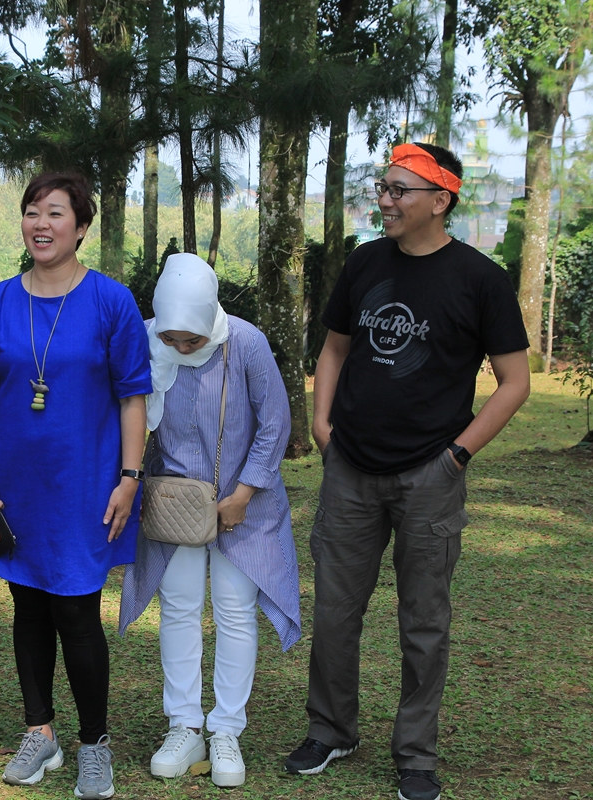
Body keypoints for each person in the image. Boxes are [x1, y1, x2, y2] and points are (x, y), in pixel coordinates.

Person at [283, 142, 531, 800]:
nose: (385, 201)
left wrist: (457, 455)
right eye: (383, 188)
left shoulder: (480, 279)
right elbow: (335, 349)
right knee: (335, 611)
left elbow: (514, 382)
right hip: (351, 469)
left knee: (424, 623)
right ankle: (330, 730)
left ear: (440, 200)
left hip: (430, 474)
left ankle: (416, 754)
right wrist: (322, 424)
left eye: (399, 191)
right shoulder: (365, 263)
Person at [0, 172, 151, 800]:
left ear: (82, 227)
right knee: (29, 605)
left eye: (56, 213)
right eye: (32, 212)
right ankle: (40, 732)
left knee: (77, 610)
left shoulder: (111, 301)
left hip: (86, 484)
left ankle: (95, 745)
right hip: (15, 488)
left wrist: (130, 477)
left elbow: (133, 397)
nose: (41, 224)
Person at [119, 254, 302, 789]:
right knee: (178, 610)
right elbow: (128, 411)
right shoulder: (144, 337)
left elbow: (274, 422)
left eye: (191, 340)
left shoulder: (244, 341)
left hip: (244, 505)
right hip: (174, 502)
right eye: (171, 339)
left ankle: (226, 729)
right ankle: (184, 725)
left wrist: (243, 494)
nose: (180, 349)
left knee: (235, 612)